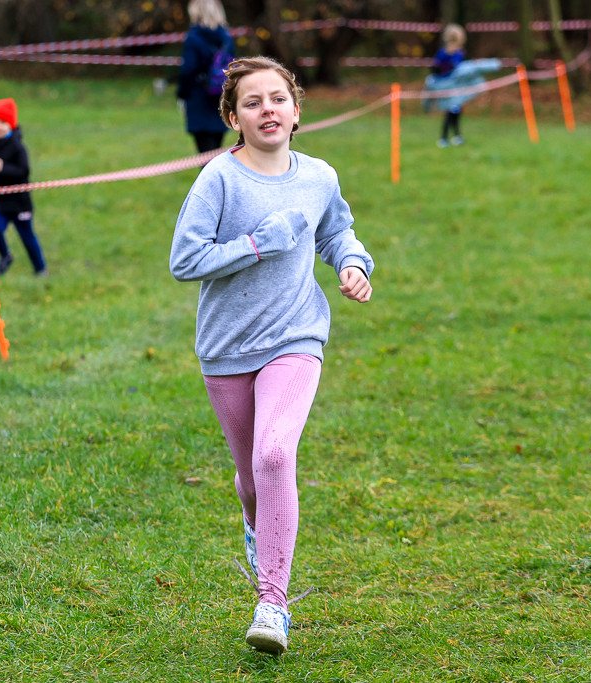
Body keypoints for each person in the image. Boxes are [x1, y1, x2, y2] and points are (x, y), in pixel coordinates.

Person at [169, 57, 374, 655]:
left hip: (296, 336)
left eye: (278, 99)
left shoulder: (319, 177)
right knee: (254, 475)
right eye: (253, 102)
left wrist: (353, 263)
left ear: (297, 110)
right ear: (233, 117)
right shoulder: (218, 180)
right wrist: (257, 244)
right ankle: (260, 525)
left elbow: (335, 232)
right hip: (227, 349)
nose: (268, 110)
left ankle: (272, 603)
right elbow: (185, 260)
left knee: (276, 453)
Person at [0, 97, 47, 276]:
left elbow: (23, 171)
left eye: (2, 122)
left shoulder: (17, 146)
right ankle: (5, 256)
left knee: (27, 236)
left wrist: (4, 168)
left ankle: (40, 269)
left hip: (19, 201)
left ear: (11, 124)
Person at [424, 24, 501, 148]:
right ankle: (445, 138)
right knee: (451, 112)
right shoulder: (452, 54)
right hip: (448, 87)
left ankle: (456, 136)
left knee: (455, 111)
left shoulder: (452, 53)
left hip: (456, 87)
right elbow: (440, 70)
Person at [176, 0, 234, 153]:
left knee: (205, 153)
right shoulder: (227, 37)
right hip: (221, 95)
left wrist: (182, 94)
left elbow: (188, 70)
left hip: (199, 96)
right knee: (216, 150)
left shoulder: (193, 38)